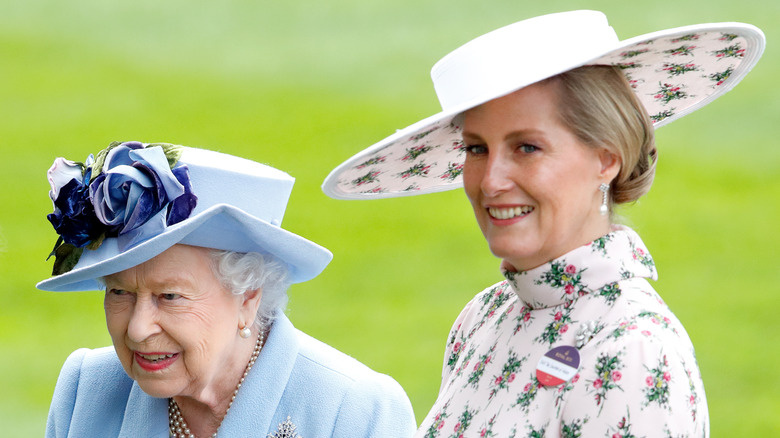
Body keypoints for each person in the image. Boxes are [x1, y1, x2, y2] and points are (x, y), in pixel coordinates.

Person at [322, 10, 765, 437]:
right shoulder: (484, 316)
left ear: (606, 158)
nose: (491, 182)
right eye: (477, 149)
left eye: (527, 148)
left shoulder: (633, 350)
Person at [39, 141, 416, 437]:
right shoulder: (85, 390)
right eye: (119, 292)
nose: (138, 329)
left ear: (248, 297)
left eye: (169, 296)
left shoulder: (356, 411)